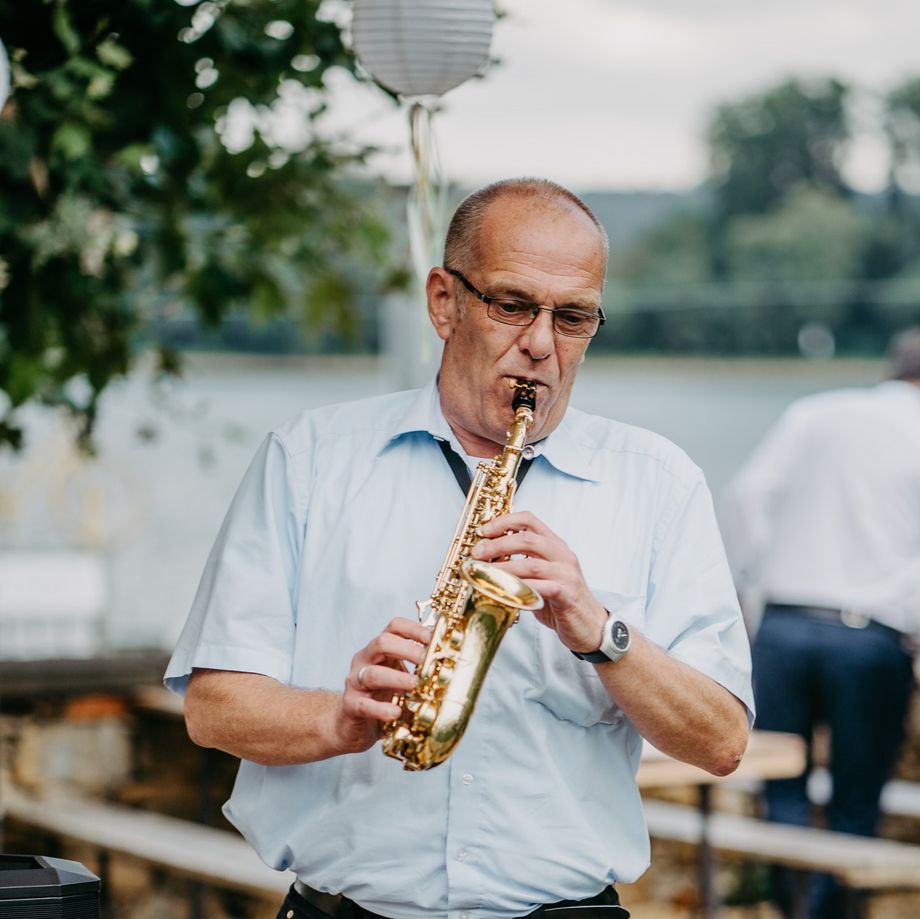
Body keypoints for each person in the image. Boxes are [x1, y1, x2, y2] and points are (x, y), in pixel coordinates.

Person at [165, 177, 754, 919]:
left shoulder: (659, 481)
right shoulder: (309, 457)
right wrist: (337, 719)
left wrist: (599, 631)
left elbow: (723, 740)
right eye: (512, 305)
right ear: (444, 301)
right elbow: (212, 708)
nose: (541, 345)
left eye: (572, 317)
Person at [723, 327, 920, 919]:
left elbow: (747, 498)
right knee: (857, 800)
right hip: (868, 640)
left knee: (781, 790)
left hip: (782, 626)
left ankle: (791, 907)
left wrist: (742, 596)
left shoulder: (814, 413)